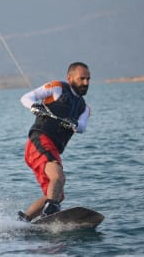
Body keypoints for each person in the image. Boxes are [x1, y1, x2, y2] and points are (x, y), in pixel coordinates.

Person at [17, 62, 91, 222]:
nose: (86, 83)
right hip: (40, 141)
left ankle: (24, 221)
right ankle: (49, 214)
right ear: (69, 78)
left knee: (57, 195)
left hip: (52, 149)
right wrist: (35, 107)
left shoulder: (84, 108)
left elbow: (82, 127)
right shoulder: (57, 88)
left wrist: (74, 124)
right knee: (59, 178)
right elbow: (26, 98)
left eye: (88, 79)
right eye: (82, 79)